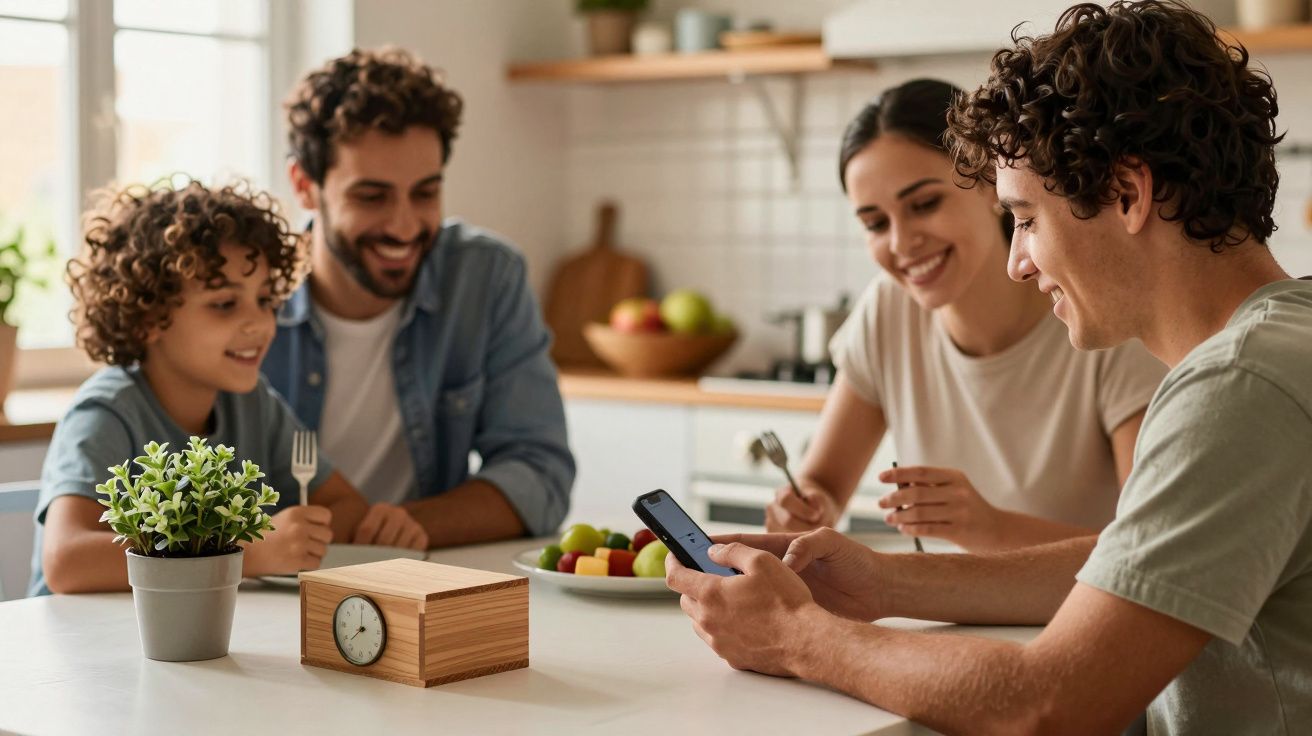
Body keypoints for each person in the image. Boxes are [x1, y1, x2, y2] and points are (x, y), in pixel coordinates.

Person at [667, 2, 1312, 732]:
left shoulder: (1238, 389)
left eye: (1029, 219)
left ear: (1128, 195)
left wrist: (795, 636)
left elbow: (1051, 703)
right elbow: (1127, 567)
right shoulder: (1281, 344)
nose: (1017, 260)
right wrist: (880, 579)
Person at [766, 78, 1165, 552]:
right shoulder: (888, 311)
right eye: (875, 223)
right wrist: (806, 503)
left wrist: (992, 529)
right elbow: (823, 488)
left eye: (925, 204)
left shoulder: (1100, 319)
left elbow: (1152, 551)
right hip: (942, 614)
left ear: (990, 183)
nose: (901, 243)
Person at [30, 179, 427, 596]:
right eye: (224, 303)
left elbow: (346, 506)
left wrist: (358, 528)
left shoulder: (253, 404)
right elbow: (66, 561)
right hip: (79, 644)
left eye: (266, 300)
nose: (260, 324)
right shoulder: (106, 414)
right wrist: (247, 552)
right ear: (148, 318)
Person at [263, 48, 574, 546]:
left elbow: (540, 473)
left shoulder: (485, 277)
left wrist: (409, 526)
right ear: (305, 185)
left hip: (423, 583)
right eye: (372, 197)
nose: (405, 226)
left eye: (425, 193)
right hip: (267, 594)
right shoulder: (245, 295)